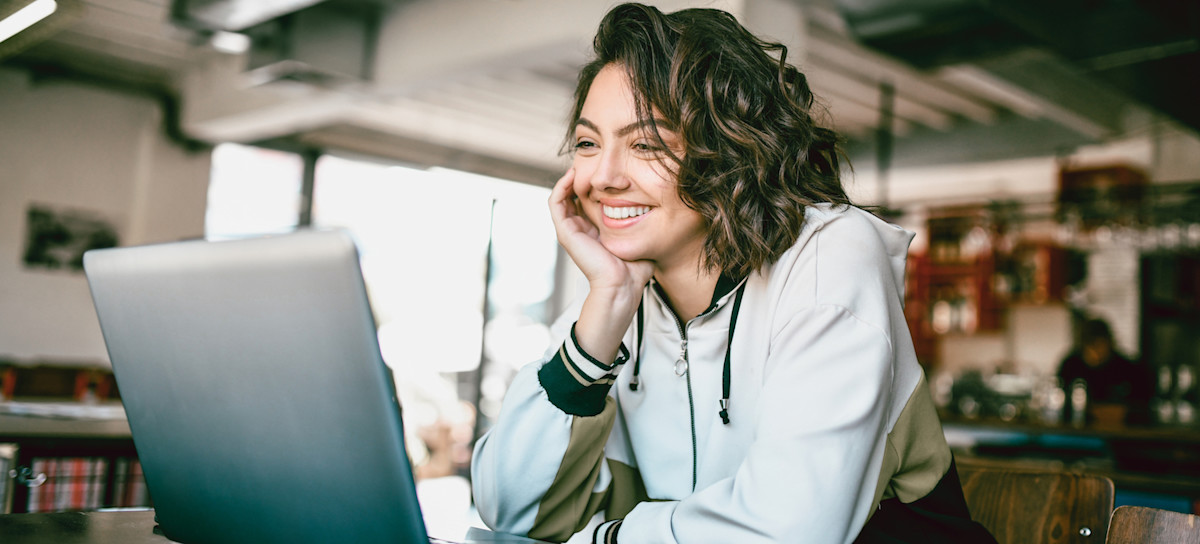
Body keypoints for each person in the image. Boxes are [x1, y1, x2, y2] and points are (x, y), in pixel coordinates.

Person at [471, 4, 995, 543]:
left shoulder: (830, 257)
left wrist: (604, 539)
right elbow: (511, 512)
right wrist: (601, 317)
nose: (601, 177)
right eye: (587, 143)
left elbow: (790, 530)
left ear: (727, 149)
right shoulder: (622, 297)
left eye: (646, 143)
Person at [1058, 317, 1152, 425]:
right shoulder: (1071, 366)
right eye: (1091, 347)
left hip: (1120, 434)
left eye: (1100, 345)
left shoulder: (1129, 369)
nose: (1096, 352)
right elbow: (1058, 402)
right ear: (1082, 347)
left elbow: (1145, 406)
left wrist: (1125, 412)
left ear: (1110, 343)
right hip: (1078, 432)